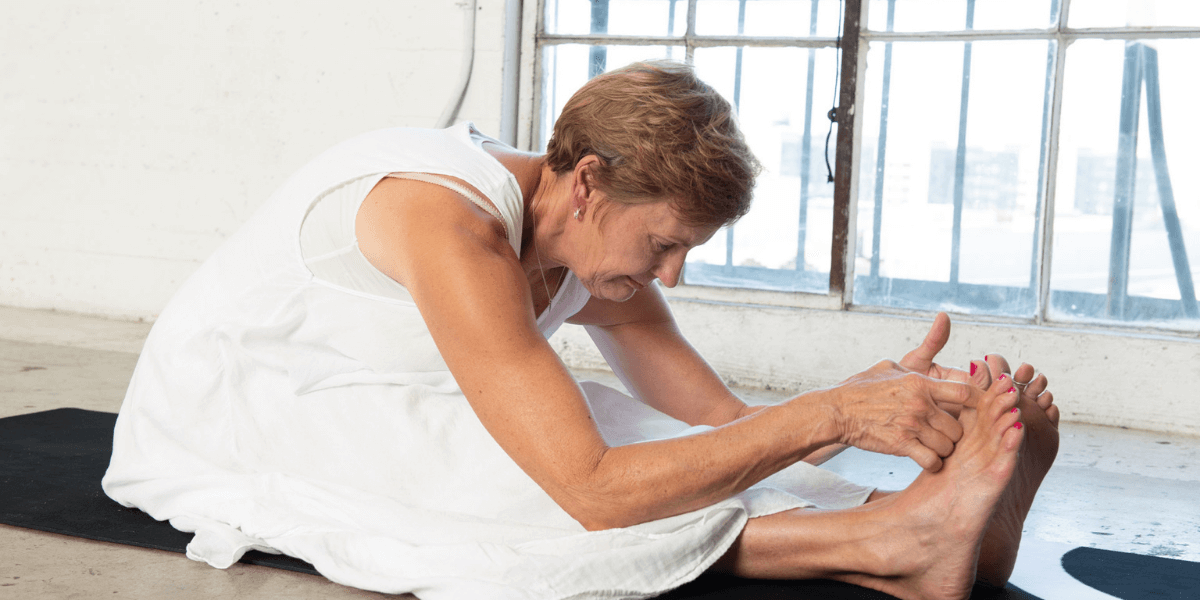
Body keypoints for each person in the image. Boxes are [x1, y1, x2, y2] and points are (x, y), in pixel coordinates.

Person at [102, 60, 1059, 600]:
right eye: (667, 243)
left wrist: (872, 401)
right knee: (511, 478)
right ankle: (887, 542)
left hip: (383, 392)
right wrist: (834, 412)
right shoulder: (450, 222)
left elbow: (717, 419)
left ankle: (934, 527)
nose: (672, 274)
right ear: (590, 182)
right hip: (238, 412)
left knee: (643, 433)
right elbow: (591, 494)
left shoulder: (595, 247)